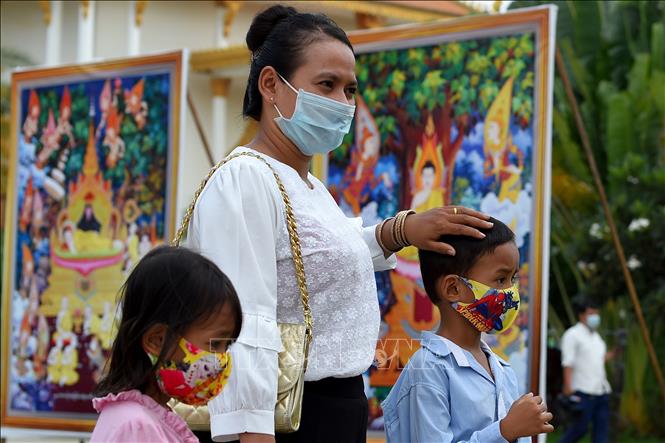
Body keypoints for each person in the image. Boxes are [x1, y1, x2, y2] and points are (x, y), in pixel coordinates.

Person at [185, 5, 494, 443]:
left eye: (349, 90)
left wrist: (400, 231)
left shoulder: (306, 185)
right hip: (284, 417)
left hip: (335, 409)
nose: (343, 104)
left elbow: (317, 259)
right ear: (271, 84)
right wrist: (254, 434)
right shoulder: (246, 178)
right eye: (325, 85)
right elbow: (242, 323)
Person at [381, 218, 554, 442]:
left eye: (513, 279)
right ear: (453, 288)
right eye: (500, 279)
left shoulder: (502, 371)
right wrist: (505, 431)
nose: (511, 292)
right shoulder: (428, 370)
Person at [90, 246, 243, 443]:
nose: (222, 360)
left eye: (226, 346)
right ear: (157, 340)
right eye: (215, 344)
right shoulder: (137, 426)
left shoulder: (143, 419)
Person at [558, 297, 612, 443]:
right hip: (582, 392)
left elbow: (597, 359)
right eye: (591, 313)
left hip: (601, 391)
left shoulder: (597, 337)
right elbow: (567, 362)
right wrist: (568, 387)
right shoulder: (572, 335)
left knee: (601, 434)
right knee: (579, 429)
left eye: (596, 313)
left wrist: (613, 354)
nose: (595, 317)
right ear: (581, 315)